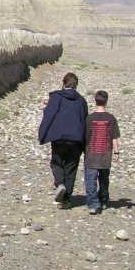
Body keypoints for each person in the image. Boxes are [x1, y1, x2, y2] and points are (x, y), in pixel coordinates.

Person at [37, 72, 88, 206]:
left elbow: (49, 115)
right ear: (76, 85)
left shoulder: (56, 97)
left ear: (63, 83)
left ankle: (60, 184)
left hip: (59, 137)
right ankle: (66, 198)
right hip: (76, 138)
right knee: (71, 166)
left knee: (57, 162)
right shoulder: (81, 101)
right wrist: (85, 142)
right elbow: (85, 120)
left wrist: (42, 134)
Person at [84, 90, 120, 215]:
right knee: (104, 179)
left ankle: (93, 204)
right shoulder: (111, 118)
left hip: (91, 156)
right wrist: (116, 152)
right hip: (105, 156)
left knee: (90, 180)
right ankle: (103, 200)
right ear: (107, 101)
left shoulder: (89, 118)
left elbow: (85, 137)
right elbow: (114, 137)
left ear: (95, 100)